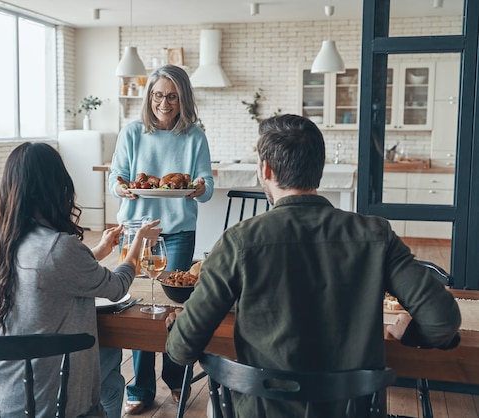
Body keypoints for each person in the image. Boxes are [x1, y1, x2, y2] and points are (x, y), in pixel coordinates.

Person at [164, 114, 461, 417]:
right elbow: (442, 321)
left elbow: (181, 349)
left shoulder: (238, 242)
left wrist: (178, 324)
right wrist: (411, 334)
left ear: (265, 169)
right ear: (318, 170)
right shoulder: (376, 235)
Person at [0, 142, 161, 418]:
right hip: (41, 403)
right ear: (56, 185)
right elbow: (117, 286)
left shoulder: (1, 235)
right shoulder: (60, 247)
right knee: (110, 358)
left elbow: (50, 273)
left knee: (110, 375)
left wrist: (99, 252)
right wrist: (138, 245)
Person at [108, 64, 214, 414]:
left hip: (179, 231)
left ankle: (175, 378)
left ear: (182, 98)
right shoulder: (133, 132)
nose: (164, 103)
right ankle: (140, 388)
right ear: (148, 97)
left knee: (173, 308)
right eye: (157, 95)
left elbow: (205, 186)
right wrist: (123, 188)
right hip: (138, 230)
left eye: (171, 96)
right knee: (139, 308)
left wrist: (197, 188)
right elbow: (117, 179)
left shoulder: (194, 135)